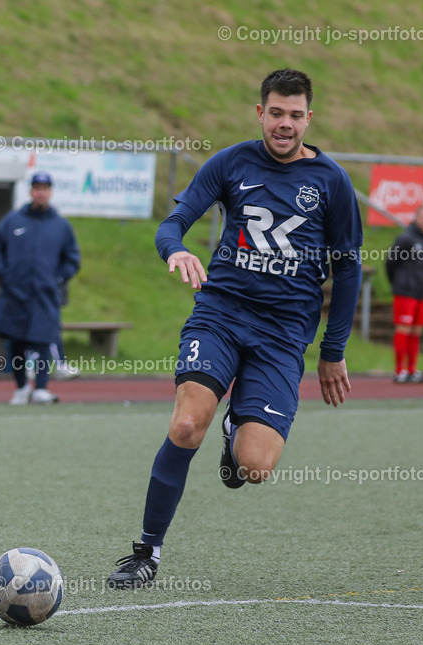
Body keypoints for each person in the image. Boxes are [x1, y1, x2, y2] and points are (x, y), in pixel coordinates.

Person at [107, 69, 363, 589]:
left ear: (308, 118)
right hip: (221, 313)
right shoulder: (230, 163)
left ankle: (235, 431)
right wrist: (176, 248)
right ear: (260, 113)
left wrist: (331, 352)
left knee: (254, 466)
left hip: (284, 335)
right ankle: (146, 553)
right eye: (276, 113)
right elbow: (171, 224)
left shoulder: (332, 182)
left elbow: (349, 268)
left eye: (295, 115)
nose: (284, 124)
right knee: (184, 426)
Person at [0, 172, 81, 405]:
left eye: (45, 188)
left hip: (44, 294)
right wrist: (4, 273)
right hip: (15, 293)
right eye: (37, 187)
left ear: (50, 192)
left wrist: (57, 278)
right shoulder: (13, 220)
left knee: (42, 341)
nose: (41, 192)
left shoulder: (61, 225)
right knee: (16, 343)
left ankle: (41, 388)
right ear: (30, 191)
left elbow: (72, 258)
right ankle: (21, 387)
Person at [384, 205, 423, 383]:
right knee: (403, 329)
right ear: (415, 218)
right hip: (405, 291)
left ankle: (412, 369)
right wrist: (397, 283)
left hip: (421, 292)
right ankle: (399, 371)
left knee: (416, 331)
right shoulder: (406, 238)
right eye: (422, 216)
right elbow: (390, 262)